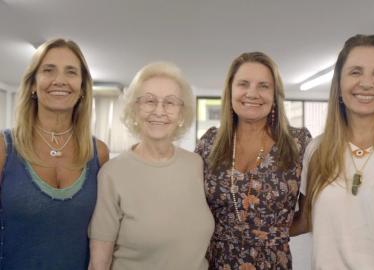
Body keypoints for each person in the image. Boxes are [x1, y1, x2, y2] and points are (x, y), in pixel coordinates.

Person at [293, 34, 374, 269]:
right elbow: (304, 221)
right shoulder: (317, 150)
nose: (366, 83)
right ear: (339, 84)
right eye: (356, 72)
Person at [88, 62, 214, 270]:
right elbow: (99, 262)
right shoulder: (112, 173)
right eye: (149, 101)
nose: (159, 110)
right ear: (135, 109)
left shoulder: (196, 164)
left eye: (170, 103)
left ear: (182, 113)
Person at [195, 52, 311, 270]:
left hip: (272, 262)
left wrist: (267, 235)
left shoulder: (299, 143)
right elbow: (192, 209)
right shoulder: (209, 143)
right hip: (215, 262)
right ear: (230, 91)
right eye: (243, 84)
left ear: (275, 94)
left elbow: (308, 217)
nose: (252, 93)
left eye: (263, 86)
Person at [0, 38, 109, 270]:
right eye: (48, 70)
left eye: (71, 72)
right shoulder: (4, 147)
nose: (59, 80)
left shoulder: (99, 153)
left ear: (82, 88)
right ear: (32, 84)